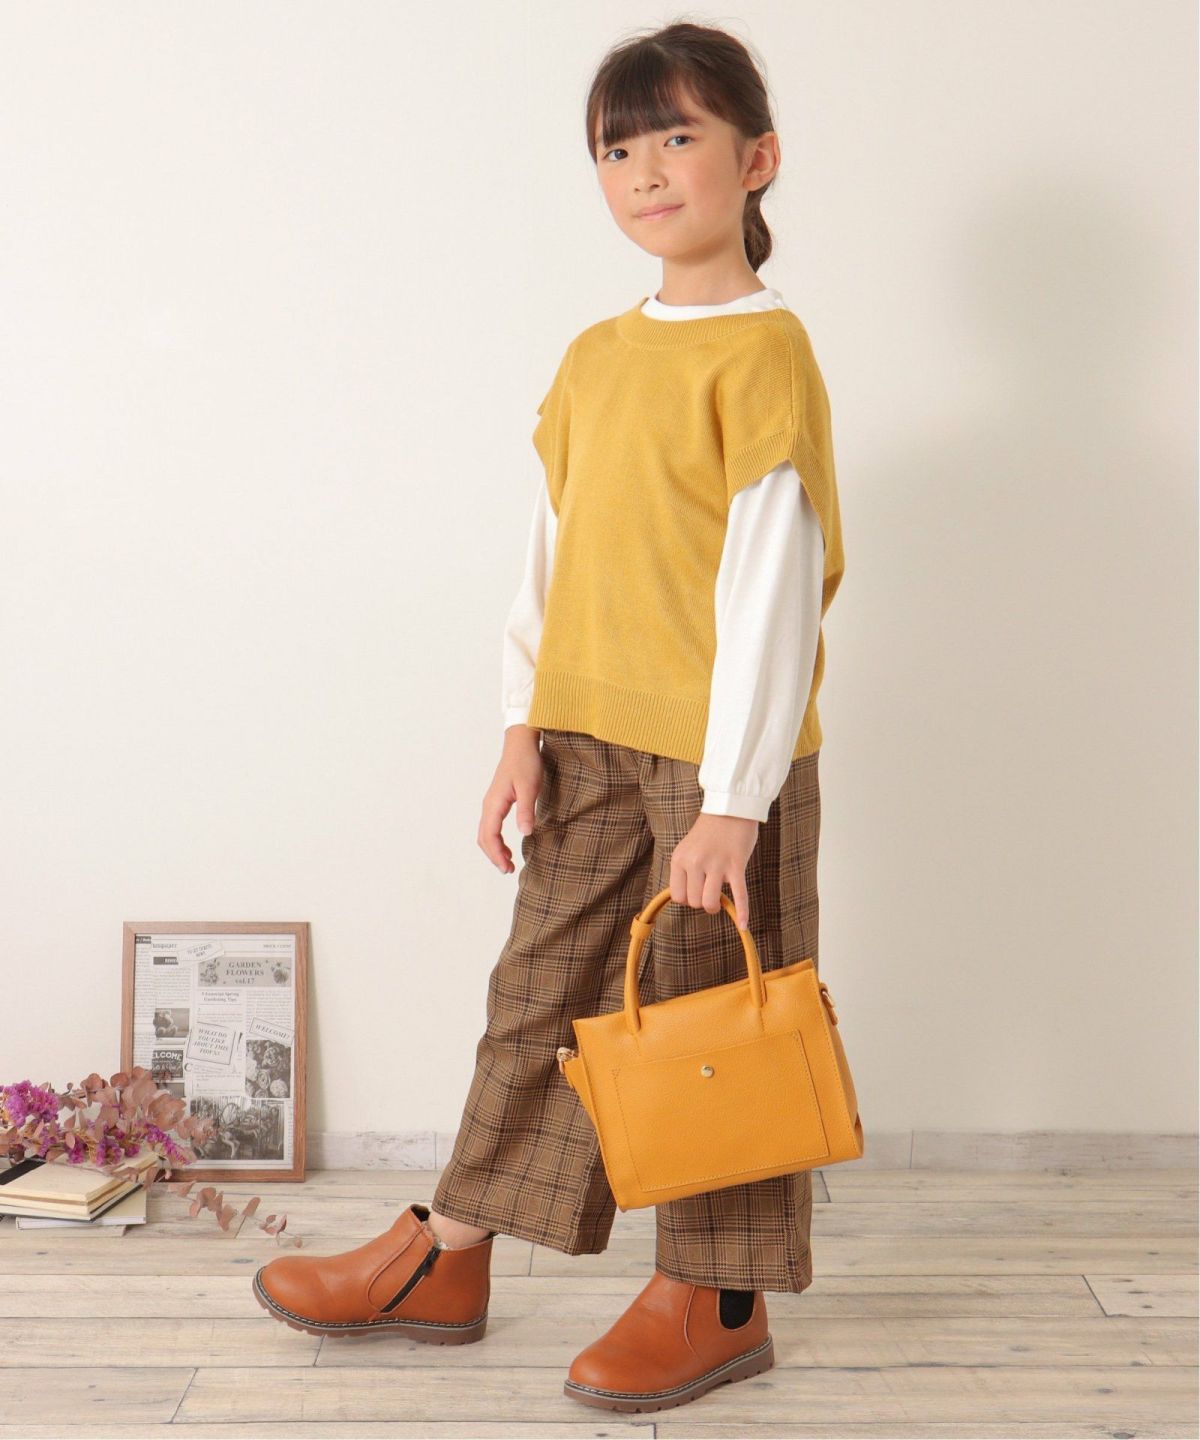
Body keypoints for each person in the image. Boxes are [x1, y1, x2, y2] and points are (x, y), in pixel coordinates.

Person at [254, 19, 846, 1416]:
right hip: (584, 736)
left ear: (757, 159)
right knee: (537, 998)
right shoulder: (594, 356)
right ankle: (450, 1253)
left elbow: (775, 592)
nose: (647, 170)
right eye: (617, 148)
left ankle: (718, 1294)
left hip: (717, 758)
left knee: (715, 1022)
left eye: (679, 137)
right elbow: (554, 550)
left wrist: (736, 800)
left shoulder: (766, 355)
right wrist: (520, 724)